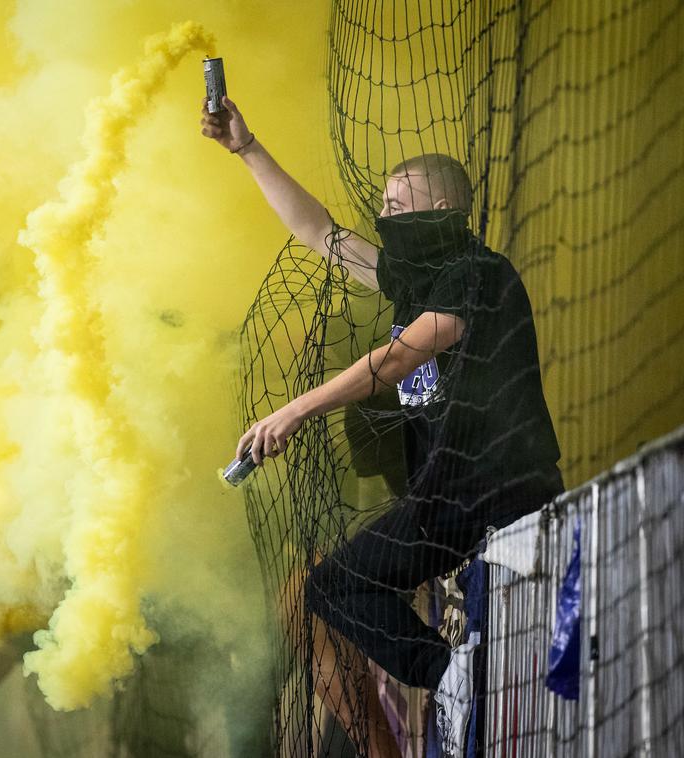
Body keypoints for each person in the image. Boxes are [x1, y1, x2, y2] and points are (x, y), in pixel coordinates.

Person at [201, 95, 563, 757]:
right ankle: (450, 673)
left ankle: (450, 676)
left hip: (494, 489)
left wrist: (294, 411)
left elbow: (397, 359)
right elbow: (320, 233)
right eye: (385, 207)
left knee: (337, 583)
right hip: (450, 498)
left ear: (446, 211)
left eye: (401, 205)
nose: (386, 217)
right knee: (334, 586)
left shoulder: (477, 276)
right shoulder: (414, 280)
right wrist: (247, 150)